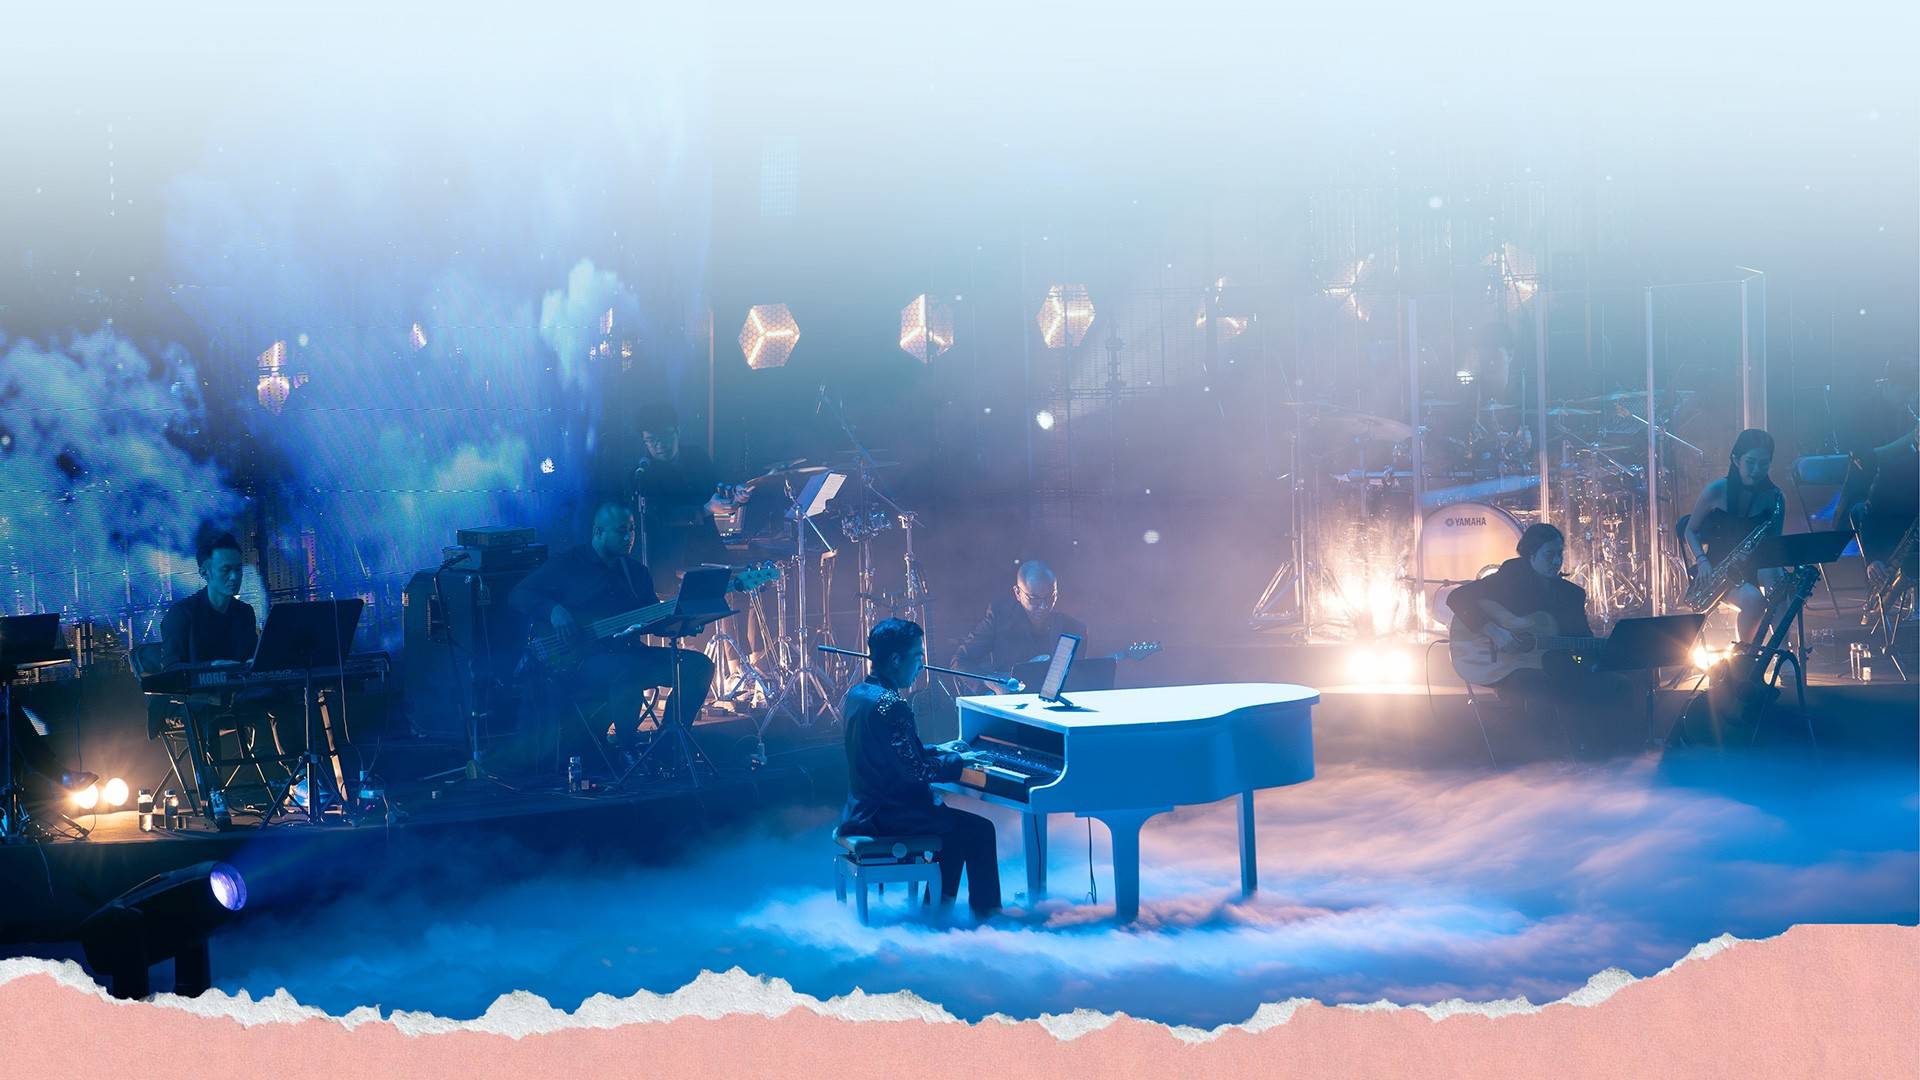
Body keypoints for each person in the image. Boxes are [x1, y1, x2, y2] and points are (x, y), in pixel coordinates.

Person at [511, 502, 715, 758]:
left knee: (699, 666)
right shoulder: (567, 564)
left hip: (630, 654)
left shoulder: (636, 573)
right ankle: (627, 750)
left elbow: (655, 621)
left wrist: (684, 623)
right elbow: (519, 594)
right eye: (621, 531)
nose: (629, 537)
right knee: (628, 671)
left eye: (632, 530)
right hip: (581, 661)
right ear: (598, 532)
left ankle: (668, 745)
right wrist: (553, 610)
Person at [157, 532, 344, 808]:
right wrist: (210, 667)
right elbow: (171, 670)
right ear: (205, 572)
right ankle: (214, 794)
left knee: (282, 697)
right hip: (194, 700)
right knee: (206, 711)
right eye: (226, 570)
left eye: (238, 569)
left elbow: (253, 662)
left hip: (235, 694)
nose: (235, 577)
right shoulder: (182, 614)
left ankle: (299, 778)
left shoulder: (243, 613)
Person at [840, 619, 1002, 917]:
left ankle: (937, 911)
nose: (921, 666)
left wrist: (940, 749)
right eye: (917, 656)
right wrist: (960, 762)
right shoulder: (892, 704)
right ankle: (987, 917)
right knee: (980, 830)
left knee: (955, 831)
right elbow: (918, 772)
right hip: (889, 815)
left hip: (864, 809)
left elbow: (891, 752)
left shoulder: (859, 694)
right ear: (895, 659)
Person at [1446, 523, 1634, 738]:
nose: (1556, 561)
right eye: (1549, 554)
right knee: (1542, 688)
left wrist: (1595, 658)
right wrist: (1494, 631)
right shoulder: (1508, 579)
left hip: (1558, 664)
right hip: (1505, 667)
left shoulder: (1571, 594)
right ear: (1531, 555)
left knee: (1618, 684)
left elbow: (1581, 640)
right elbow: (1457, 597)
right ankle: (1547, 752)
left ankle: (1604, 749)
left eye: (1559, 554)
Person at [1684, 428, 1787, 643]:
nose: (1756, 470)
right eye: (1750, 462)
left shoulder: (1775, 497)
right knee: (1754, 601)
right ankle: (1745, 654)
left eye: (1764, 464)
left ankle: (1782, 651)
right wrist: (1702, 561)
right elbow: (1689, 530)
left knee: (1779, 586)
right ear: (1736, 459)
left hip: (1758, 566)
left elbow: (1774, 546)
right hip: (1718, 569)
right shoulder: (1716, 490)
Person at [953, 560, 1087, 686]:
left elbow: (1077, 679)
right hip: (1008, 699)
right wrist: (991, 684)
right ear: (1017, 593)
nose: (1043, 606)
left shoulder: (1074, 628)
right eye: (1034, 599)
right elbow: (960, 660)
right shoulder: (1000, 619)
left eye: (1050, 597)